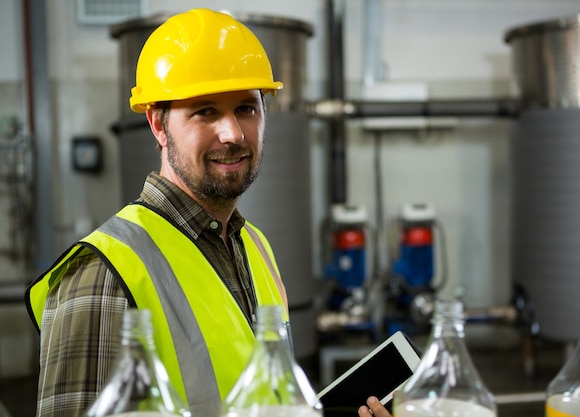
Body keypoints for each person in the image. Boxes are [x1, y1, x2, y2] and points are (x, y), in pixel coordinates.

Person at [25, 7, 390, 417]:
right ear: (157, 125)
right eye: (205, 111)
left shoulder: (256, 247)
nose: (232, 133)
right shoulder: (102, 272)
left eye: (247, 108)